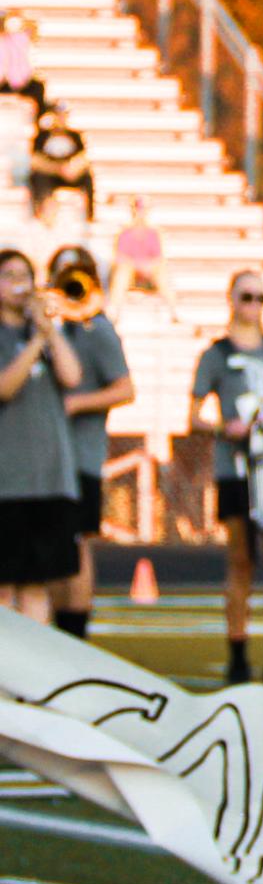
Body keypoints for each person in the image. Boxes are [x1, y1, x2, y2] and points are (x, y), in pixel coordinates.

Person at [189, 271, 263, 684]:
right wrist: (226, 428)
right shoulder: (217, 354)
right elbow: (193, 417)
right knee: (241, 561)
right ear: (232, 299)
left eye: (261, 297)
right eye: (246, 296)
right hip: (237, 468)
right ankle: (237, 653)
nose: (254, 305)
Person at [45, 246, 134, 642]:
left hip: (79, 455)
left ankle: (76, 633)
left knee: (76, 543)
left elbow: (125, 388)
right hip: (40, 459)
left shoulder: (96, 330)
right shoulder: (43, 329)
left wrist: (78, 402)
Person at [0, 248, 83, 623]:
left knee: (38, 585)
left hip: (48, 478)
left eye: (25, 276)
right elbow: (5, 387)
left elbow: (72, 377)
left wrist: (47, 331)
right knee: (3, 587)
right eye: (10, 276)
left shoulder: (47, 334)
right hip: (7, 481)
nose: (20, 285)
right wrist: (35, 344)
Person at [106, 197, 177, 316]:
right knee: (123, 271)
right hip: (131, 273)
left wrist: (147, 267)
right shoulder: (124, 233)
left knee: (161, 271)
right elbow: (120, 258)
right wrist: (138, 266)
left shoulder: (153, 233)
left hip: (149, 274)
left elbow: (159, 258)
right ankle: (114, 310)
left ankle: (173, 309)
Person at [28, 101, 92, 224]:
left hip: (70, 174)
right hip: (49, 174)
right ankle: (43, 214)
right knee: (38, 178)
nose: (61, 118)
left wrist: (72, 168)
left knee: (87, 177)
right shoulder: (42, 136)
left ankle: (89, 215)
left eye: (63, 115)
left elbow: (83, 157)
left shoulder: (75, 136)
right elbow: (35, 160)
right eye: (58, 114)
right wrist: (57, 169)